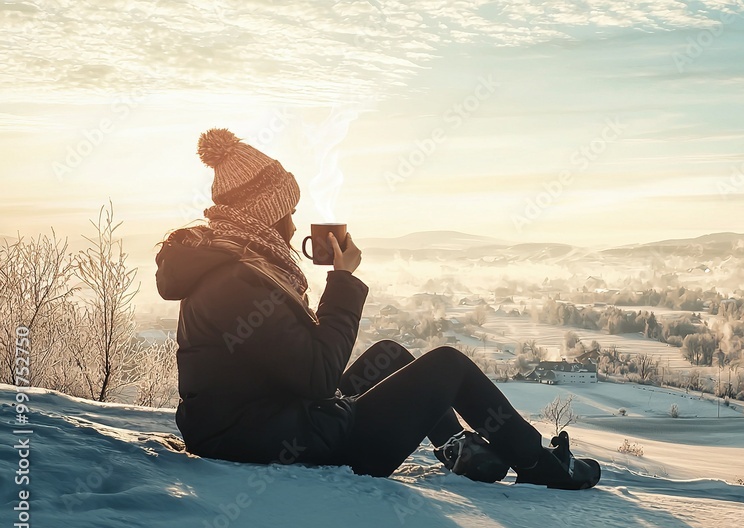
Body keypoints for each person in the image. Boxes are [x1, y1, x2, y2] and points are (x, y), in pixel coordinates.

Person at [154, 128, 600, 490]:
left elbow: (291, 367)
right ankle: (542, 467)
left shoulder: (232, 266)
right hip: (280, 440)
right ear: (264, 213)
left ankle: (460, 449)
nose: (293, 222)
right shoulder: (238, 283)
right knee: (449, 365)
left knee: (390, 354)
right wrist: (343, 280)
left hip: (263, 427)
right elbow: (319, 375)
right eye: (287, 210)